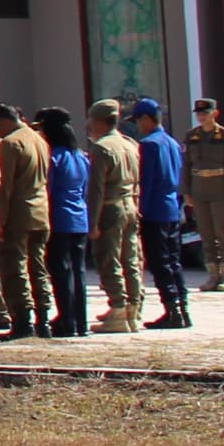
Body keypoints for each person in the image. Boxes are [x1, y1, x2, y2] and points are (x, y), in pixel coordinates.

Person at [83, 100, 147, 332]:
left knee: (109, 259)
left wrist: (92, 223)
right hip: (130, 204)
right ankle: (133, 307)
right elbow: (137, 182)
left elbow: (96, 189)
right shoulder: (129, 144)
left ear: (97, 120)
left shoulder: (102, 147)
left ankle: (119, 308)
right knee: (130, 259)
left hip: (110, 208)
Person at [0, 101, 53, 340]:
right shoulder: (39, 139)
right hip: (40, 212)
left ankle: (22, 319)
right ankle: (43, 317)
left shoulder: (10, 144)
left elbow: (5, 187)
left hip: (19, 214)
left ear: (2, 121)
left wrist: (0, 221)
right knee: (37, 267)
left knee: (14, 267)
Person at [132, 98, 194, 327]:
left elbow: (146, 183)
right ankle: (183, 308)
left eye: (138, 120)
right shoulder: (171, 143)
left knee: (160, 263)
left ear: (147, 119)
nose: (138, 125)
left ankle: (171, 310)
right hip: (171, 208)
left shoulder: (148, 144)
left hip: (154, 210)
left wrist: (140, 211)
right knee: (174, 261)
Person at [183, 99, 224, 293]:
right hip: (200, 190)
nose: (201, 117)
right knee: (206, 234)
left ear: (214, 114)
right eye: (199, 114)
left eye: (205, 113)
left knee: (223, 232)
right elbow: (187, 167)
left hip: (219, 189)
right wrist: (187, 191)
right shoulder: (192, 137)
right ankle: (212, 274)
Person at [43, 115, 94, 338]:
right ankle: (81, 321)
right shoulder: (81, 157)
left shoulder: (55, 157)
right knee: (78, 271)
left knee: (61, 272)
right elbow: (85, 189)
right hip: (79, 218)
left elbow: (49, 189)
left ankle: (67, 319)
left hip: (60, 218)